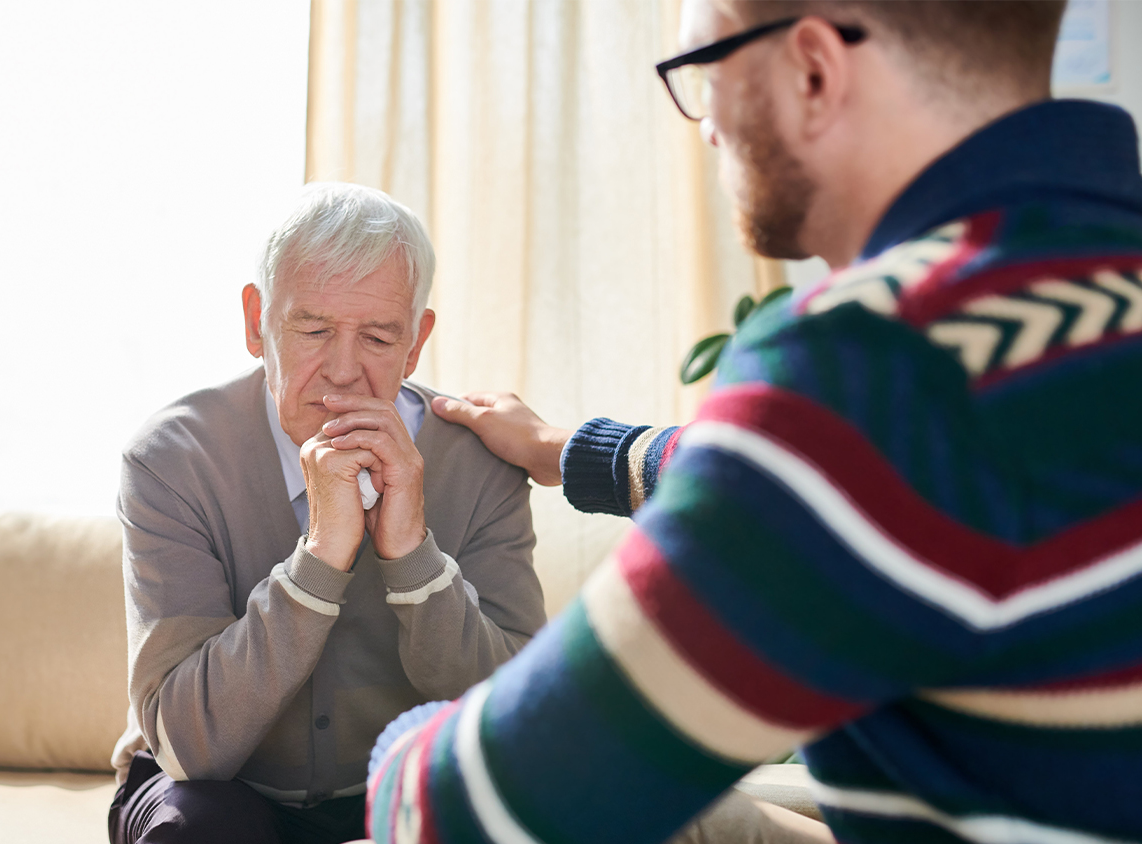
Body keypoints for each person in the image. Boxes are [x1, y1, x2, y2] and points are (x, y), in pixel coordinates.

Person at [365, 1, 1142, 842]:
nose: (705, 130)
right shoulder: (1071, 310)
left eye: (703, 70)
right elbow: (914, 472)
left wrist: (394, 758)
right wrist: (573, 452)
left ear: (812, 69)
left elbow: (469, 810)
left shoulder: (876, 364)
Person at [108, 182, 547, 844]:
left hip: (402, 788)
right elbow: (191, 746)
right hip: (218, 793)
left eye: (377, 336)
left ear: (417, 340)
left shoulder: (480, 460)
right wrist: (321, 555)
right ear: (256, 322)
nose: (342, 371)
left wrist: (412, 556)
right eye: (312, 329)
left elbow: (519, 722)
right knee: (198, 828)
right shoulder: (172, 458)